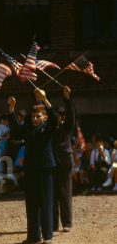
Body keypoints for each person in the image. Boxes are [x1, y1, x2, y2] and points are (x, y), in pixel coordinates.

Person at [7, 89, 57, 244]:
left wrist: (44, 99)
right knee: (32, 204)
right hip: (30, 169)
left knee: (46, 202)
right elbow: (15, 129)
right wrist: (11, 108)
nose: (35, 119)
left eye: (38, 116)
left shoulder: (48, 127)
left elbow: (55, 118)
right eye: (34, 116)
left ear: (44, 118)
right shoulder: (28, 129)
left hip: (45, 168)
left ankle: (47, 235)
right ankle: (33, 236)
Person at [52, 86, 75, 233]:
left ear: (63, 117)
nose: (56, 117)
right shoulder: (49, 128)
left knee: (65, 194)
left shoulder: (66, 127)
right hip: (52, 163)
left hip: (65, 163)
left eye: (59, 115)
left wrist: (67, 99)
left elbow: (71, 114)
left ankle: (67, 223)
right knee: (52, 195)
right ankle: (53, 224)